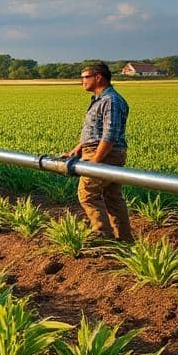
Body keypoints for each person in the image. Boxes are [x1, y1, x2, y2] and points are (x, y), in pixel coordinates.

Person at [66, 60, 132, 241]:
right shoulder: (101, 100)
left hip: (104, 154)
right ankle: (124, 241)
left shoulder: (111, 100)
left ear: (98, 77)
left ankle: (103, 237)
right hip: (100, 152)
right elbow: (96, 130)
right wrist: (78, 149)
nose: (82, 81)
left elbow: (109, 135)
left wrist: (95, 161)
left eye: (85, 77)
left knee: (87, 194)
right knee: (113, 198)